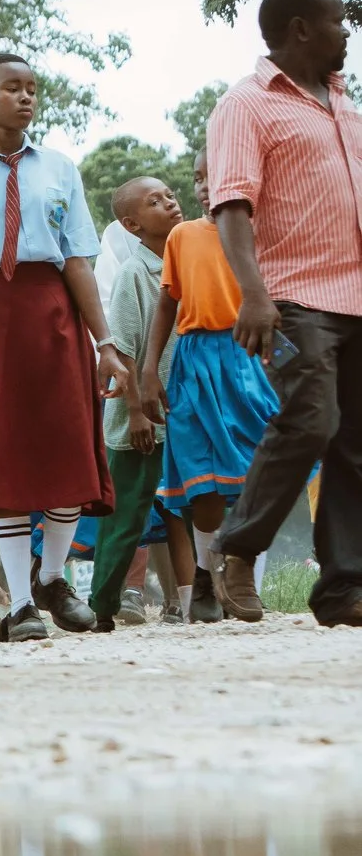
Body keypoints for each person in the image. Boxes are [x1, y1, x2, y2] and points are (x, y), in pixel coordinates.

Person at [0, 52, 126, 642]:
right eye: (12, 87)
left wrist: (104, 342)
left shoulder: (59, 168)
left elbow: (80, 262)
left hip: (54, 314)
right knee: (6, 457)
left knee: (68, 447)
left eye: (33, 88)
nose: (26, 97)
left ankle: (54, 577)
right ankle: (20, 608)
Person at [203, 0, 362, 626]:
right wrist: (254, 295)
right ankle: (235, 547)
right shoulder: (246, 106)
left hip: (356, 296)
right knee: (310, 420)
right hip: (293, 295)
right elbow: (230, 206)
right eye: (336, 21)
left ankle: (343, 587)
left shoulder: (344, 105)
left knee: (355, 441)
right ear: (300, 28)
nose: (346, 31)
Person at [145, 149, 283, 618]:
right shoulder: (181, 236)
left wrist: (286, 364)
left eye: (215, 175)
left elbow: (280, 302)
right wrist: (148, 371)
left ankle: (248, 585)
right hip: (192, 362)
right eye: (198, 177)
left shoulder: (261, 233)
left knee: (252, 479)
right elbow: (167, 304)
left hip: (247, 357)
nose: (204, 185)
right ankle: (205, 576)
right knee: (201, 484)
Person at [88, 175, 189, 629]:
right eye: (155, 201)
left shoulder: (186, 264)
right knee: (126, 516)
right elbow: (124, 347)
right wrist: (132, 411)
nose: (170, 203)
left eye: (170, 195)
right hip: (140, 420)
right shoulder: (135, 272)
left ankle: (193, 600)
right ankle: (102, 604)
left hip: (181, 413)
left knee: (185, 509)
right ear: (132, 224)